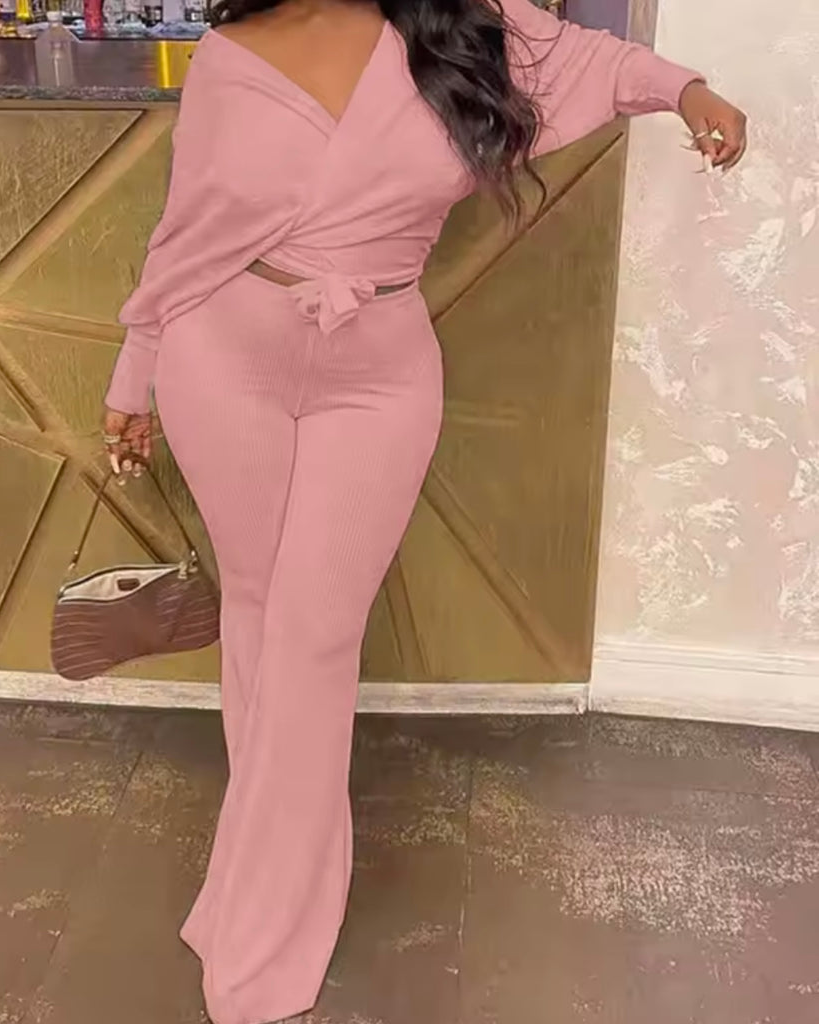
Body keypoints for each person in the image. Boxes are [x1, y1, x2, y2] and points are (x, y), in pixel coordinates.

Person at [101, 1, 746, 1021]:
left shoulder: (462, 28)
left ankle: (257, 937)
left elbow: (597, 62)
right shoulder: (228, 55)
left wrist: (687, 91)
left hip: (380, 372)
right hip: (221, 356)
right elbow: (184, 232)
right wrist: (132, 375)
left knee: (313, 637)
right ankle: (248, 895)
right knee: (260, 620)